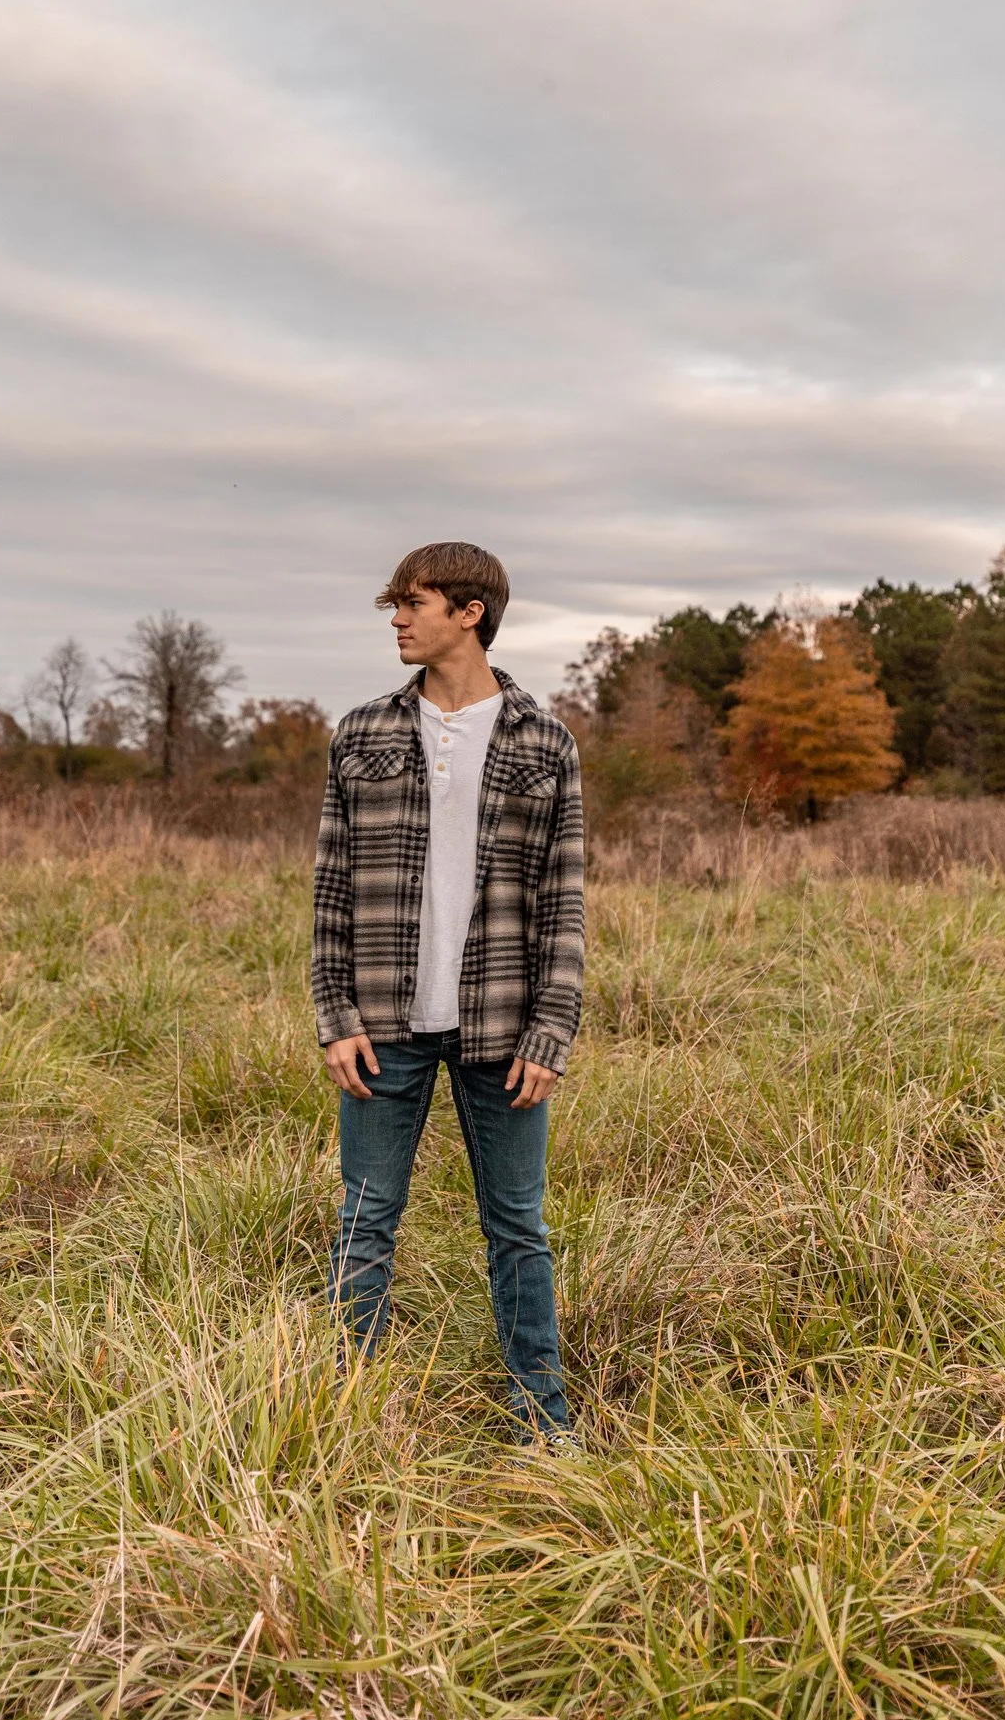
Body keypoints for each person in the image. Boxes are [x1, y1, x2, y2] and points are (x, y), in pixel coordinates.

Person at [311, 540, 585, 1443]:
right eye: (395, 604)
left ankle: (544, 1426)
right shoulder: (363, 733)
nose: (396, 618)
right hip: (382, 1026)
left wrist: (551, 1029)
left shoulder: (544, 741)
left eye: (412, 602)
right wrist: (334, 1016)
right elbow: (331, 888)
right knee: (364, 1223)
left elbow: (564, 898)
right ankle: (343, 1419)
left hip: (502, 1030)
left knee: (517, 1227)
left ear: (468, 612)